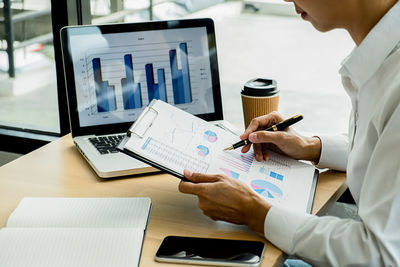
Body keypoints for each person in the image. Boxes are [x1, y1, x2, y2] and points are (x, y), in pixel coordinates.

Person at [178, 0, 400, 266]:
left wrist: (255, 212)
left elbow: (381, 255)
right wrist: (310, 146)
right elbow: (384, 151)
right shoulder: (383, 59)